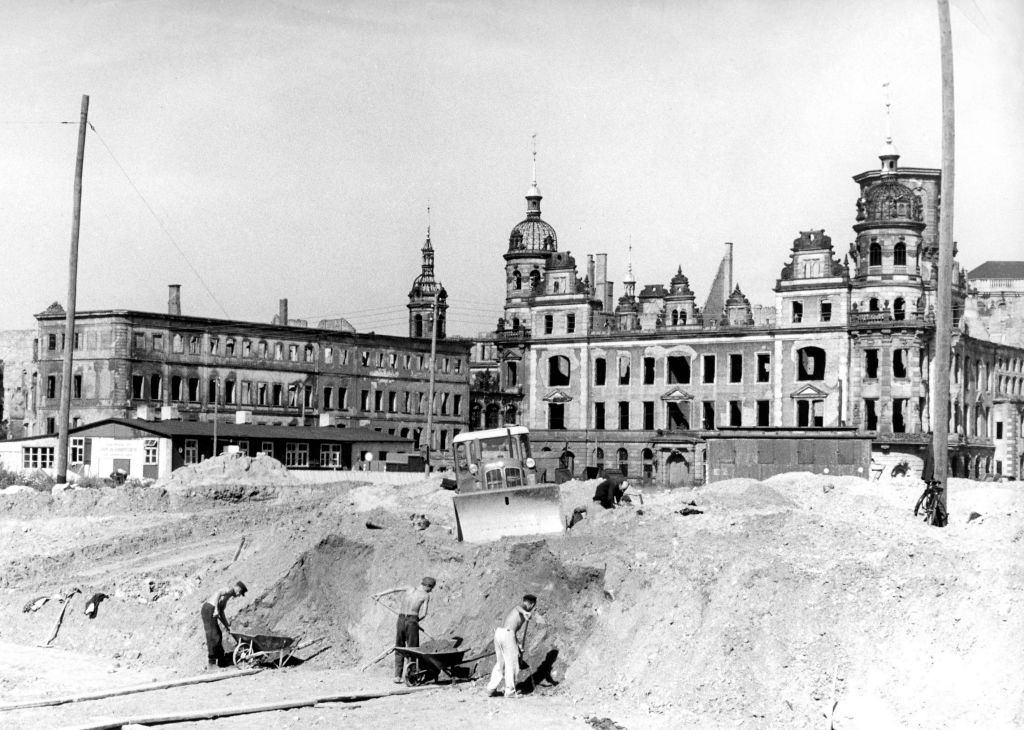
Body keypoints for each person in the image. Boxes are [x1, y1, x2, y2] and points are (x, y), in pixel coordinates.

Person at [373, 576, 436, 683]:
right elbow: (424, 614)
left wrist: (379, 594)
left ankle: (397, 676)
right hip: (412, 620)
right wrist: (415, 622)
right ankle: (411, 676)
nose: (431, 591)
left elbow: (394, 589)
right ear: (427, 586)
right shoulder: (425, 595)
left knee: (399, 647)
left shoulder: (408, 588)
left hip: (401, 619)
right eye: (431, 588)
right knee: (413, 649)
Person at [486, 594, 537, 698]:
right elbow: (518, 607)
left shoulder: (516, 612)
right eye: (533, 606)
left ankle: (490, 689)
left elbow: (511, 630)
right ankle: (510, 692)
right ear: (531, 604)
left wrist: (518, 644)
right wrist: (525, 612)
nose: (532, 609)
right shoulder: (522, 607)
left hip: (500, 633)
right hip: (507, 634)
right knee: (512, 664)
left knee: (501, 663)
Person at [201, 581, 247, 670]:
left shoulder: (227, 597)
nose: (239, 595)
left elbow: (221, 612)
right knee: (213, 636)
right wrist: (216, 609)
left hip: (211, 609)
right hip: (208, 609)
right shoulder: (229, 589)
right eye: (240, 593)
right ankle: (211, 664)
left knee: (218, 635)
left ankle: (221, 661)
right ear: (238, 589)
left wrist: (227, 626)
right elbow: (218, 593)